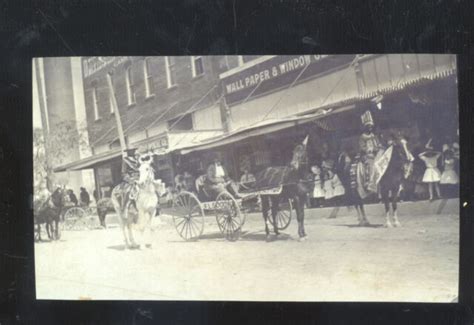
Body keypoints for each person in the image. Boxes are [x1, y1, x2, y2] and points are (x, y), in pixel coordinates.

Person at [358, 110, 382, 194]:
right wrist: (370, 150)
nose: (370, 128)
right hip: (368, 156)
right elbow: (363, 147)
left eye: (371, 127)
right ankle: (371, 185)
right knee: (373, 166)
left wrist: (379, 147)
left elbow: (378, 144)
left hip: (377, 154)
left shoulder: (374, 136)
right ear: (365, 127)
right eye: (369, 127)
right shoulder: (362, 137)